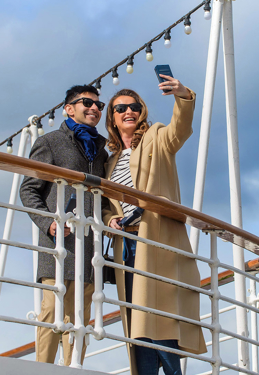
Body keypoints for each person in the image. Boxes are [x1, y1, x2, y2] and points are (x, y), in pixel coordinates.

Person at [102, 75, 207, 375]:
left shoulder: (156, 137)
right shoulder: (109, 162)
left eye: (134, 106)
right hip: (127, 245)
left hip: (156, 238)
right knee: (138, 320)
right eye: (120, 108)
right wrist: (111, 218)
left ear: (142, 110)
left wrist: (182, 95)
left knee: (161, 316)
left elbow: (180, 130)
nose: (128, 112)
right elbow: (109, 204)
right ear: (112, 118)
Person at [20, 84, 108, 366]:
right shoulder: (50, 142)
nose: (94, 108)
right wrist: (49, 224)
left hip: (89, 249)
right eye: (87, 102)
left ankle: (74, 369)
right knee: (52, 311)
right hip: (58, 244)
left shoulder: (100, 150)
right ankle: (41, 369)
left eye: (99, 105)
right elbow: (29, 190)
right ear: (69, 108)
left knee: (81, 316)